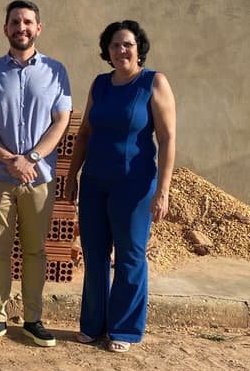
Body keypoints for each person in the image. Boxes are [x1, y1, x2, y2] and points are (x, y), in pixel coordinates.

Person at [64, 20, 176, 353]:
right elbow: (84, 133)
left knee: (129, 257)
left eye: (127, 44)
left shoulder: (153, 82)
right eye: (115, 45)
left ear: (138, 48)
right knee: (95, 255)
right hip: (95, 182)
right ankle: (93, 325)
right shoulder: (100, 85)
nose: (121, 50)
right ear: (107, 51)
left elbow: (168, 139)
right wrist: (72, 176)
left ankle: (124, 329)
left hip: (134, 185)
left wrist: (163, 191)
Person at [0, 0, 72, 347]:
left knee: (35, 251)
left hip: (39, 177)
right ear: (6, 29)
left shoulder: (57, 71)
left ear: (38, 28)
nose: (21, 27)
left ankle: (33, 318)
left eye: (28, 22)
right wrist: (9, 159)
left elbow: (61, 122)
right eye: (15, 22)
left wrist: (30, 158)